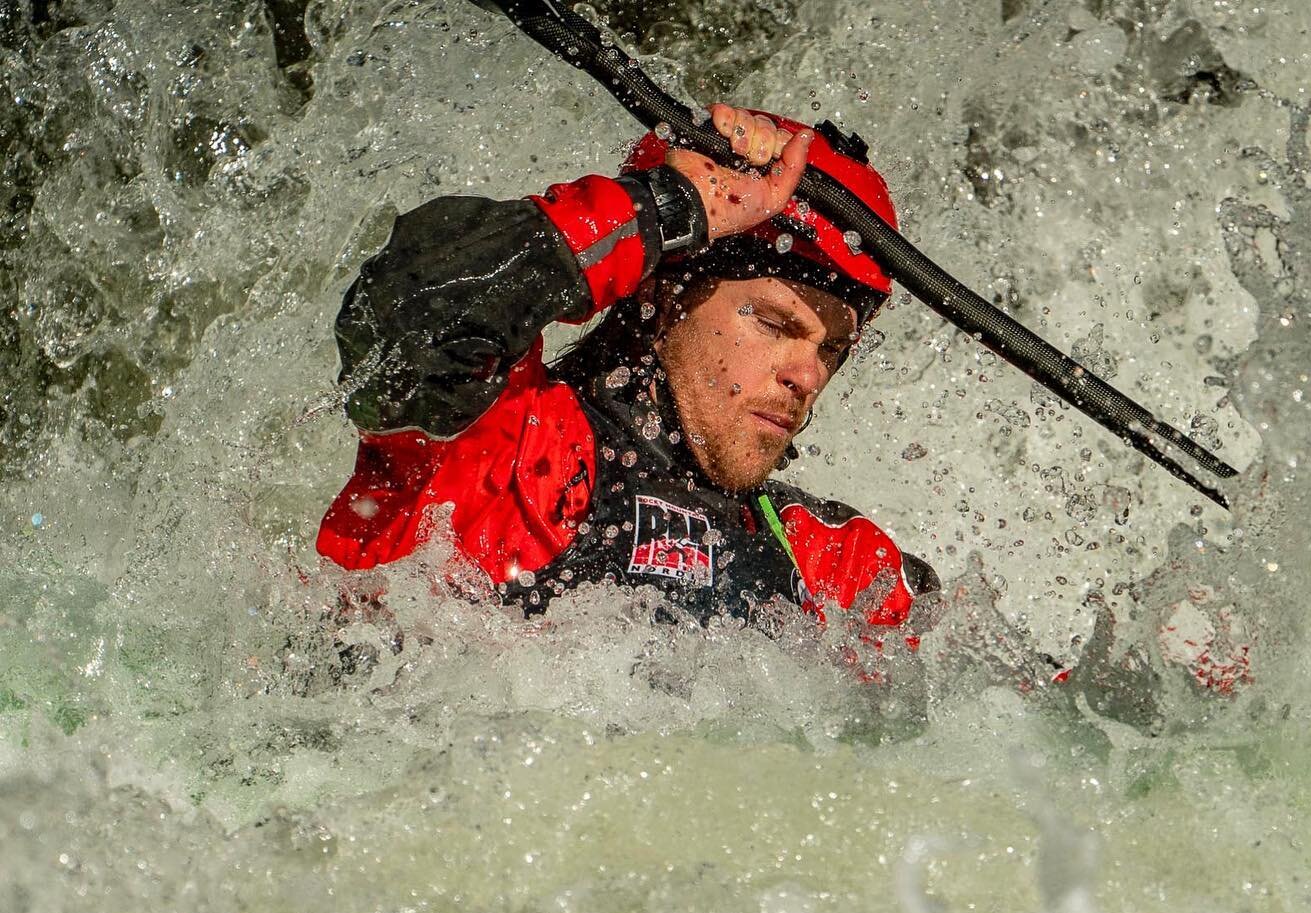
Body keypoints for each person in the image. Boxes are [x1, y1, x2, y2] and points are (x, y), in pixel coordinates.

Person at [316, 104, 939, 642]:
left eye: (831, 350)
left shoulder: (826, 562)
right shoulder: (510, 447)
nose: (807, 374)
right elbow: (414, 314)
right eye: (775, 326)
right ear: (662, 299)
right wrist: (669, 206)